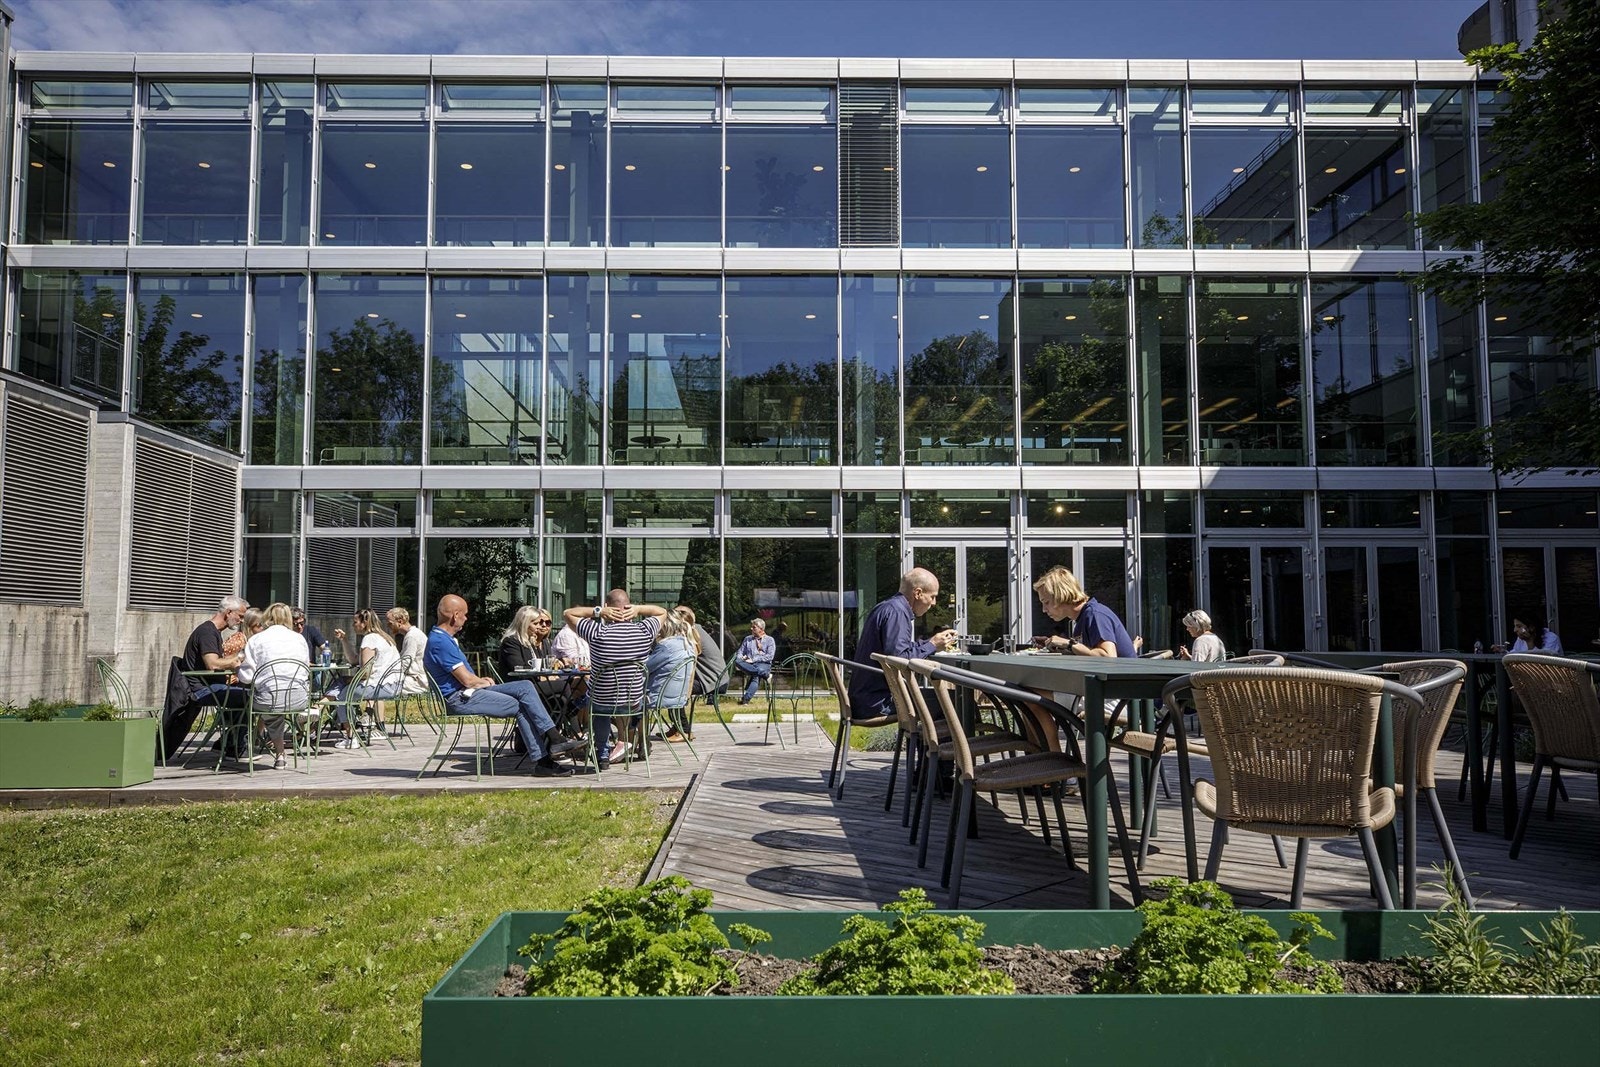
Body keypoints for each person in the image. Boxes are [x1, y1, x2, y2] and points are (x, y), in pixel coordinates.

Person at [424, 594, 585, 777]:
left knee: (524, 686)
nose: (466, 618)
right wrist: (482, 681)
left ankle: (554, 742)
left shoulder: (444, 638)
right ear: (455, 615)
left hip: (469, 691)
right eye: (465, 614)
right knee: (521, 705)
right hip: (459, 697)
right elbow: (467, 681)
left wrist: (480, 680)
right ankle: (546, 758)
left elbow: (466, 678)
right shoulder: (440, 641)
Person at [1028, 565, 1137, 751]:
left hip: (1120, 699)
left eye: (1046, 602)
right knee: (1028, 695)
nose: (1044, 609)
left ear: (1060, 595)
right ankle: (1040, 760)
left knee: (1031, 697)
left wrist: (1068, 644)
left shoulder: (1095, 614)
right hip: (1101, 691)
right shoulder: (1083, 618)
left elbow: (1107, 658)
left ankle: (1056, 765)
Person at [565, 589, 668, 768]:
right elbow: (662, 612)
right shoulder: (644, 631)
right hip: (632, 702)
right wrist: (638, 609)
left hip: (601, 700)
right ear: (629, 607)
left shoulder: (595, 632)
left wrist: (598, 612)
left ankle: (602, 754)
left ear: (607, 607)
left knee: (596, 704)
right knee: (639, 701)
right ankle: (638, 744)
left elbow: (568, 613)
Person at [846, 568, 959, 722]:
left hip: (866, 699)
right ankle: (947, 746)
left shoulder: (888, 607)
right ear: (918, 593)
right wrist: (932, 645)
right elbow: (899, 660)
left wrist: (932, 642)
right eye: (932, 597)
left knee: (947, 699)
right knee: (957, 702)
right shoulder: (897, 613)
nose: (934, 603)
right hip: (877, 703)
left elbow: (899, 650)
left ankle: (927, 745)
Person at [236, 602, 309, 770]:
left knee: (269, 707)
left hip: (271, 699)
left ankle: (273, 750)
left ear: (267, 618)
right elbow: (305, 669)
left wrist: (237, 668)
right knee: (275, 704)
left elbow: (247, 678)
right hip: (298, 697)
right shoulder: (299, 639)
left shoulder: (256, 640)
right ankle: (279, 752)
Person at [327, 608, 403, 747]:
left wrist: (348, 680)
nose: (353, 625)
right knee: (342, 684)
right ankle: (319, 706)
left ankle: (351, 738)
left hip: (380, 686)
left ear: (365, 622)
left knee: (342, 696)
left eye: (355, 622)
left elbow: (365, 673)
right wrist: (344, 640)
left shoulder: (369, 639)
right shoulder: (383, 637)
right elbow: (355, 660)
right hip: (394, 685)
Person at [648, 610, 699, 741]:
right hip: (679, 695)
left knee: (627, 697)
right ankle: (680, 729)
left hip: (658, 696)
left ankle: (633, 738)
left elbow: (645, 668)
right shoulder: (689, 643)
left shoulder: (667, 646)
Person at [675, 604, 727, 705]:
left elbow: (688, 664)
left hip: (713, 682)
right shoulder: (697, 630)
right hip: (717, 679)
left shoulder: (692, 635)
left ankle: (681, 720)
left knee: (675, 685)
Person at [498, 606, 554, 677]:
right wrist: (540, 678)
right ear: (525, 624)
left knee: (566, 682)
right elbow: (518, 668)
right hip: (519, 684)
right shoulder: (511, 641)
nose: (539, 627)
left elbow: (540, 665)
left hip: (533, 681)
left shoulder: (531, 641)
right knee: (563, 684)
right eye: (535, 624)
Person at [386, 606, 430, 696]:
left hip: (416, 681)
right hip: (417, 678)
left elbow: (406, 662)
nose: (388, 626)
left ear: (400, 621)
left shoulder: (411, 636)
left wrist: (387, 671)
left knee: (382, 684)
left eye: (390, 623)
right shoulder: (413, 634)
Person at [732, 618, 777, 704]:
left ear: (761, 629)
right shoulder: (747, 639)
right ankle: (766, 675)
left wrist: (754, 659)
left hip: (763, 664)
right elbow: (740, 653)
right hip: (749, 664)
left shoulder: (770, 640)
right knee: (737, 661)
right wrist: (742, 658)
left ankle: (745, 700)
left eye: (754, 627)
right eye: (751, 627)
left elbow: (770, 657)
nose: (751, 629)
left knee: (756, 676)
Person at [1494, 613, 1563, 655]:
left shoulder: (1551, 638)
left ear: (1531, 627)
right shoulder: (1520, 639)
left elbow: (1542, 660)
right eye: (1515, 626)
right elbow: (1515, 654)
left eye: (1519, 626)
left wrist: (1529, 641)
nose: (1515, 630)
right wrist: (1503, 651)